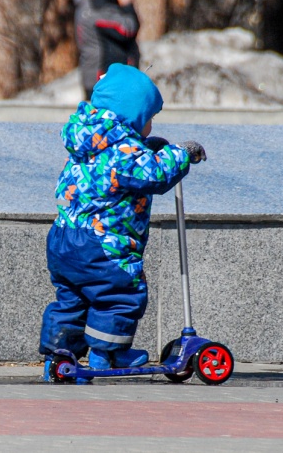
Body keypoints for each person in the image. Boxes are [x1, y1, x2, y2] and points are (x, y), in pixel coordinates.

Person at [39, 63, 206, 378]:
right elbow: (154, 175)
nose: (150, 125)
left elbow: (127, 167)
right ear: (133, 116)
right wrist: (182, 154)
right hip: (103, 244)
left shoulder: (89, 140)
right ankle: (108, 353)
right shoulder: (123, 149)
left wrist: (149, 148)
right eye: (149, 119)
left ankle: (59, 356)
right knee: (118, 294)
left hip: (64, 239)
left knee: (71, 300)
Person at [74, 0, 141, 98]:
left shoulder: (104, 2)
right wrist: (128, 5)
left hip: (113, 79)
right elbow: (126, 30)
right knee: (108, 119)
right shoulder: (95, 5)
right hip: (103, 80)